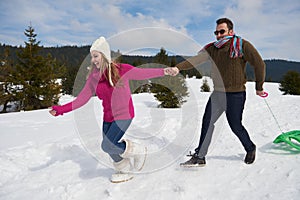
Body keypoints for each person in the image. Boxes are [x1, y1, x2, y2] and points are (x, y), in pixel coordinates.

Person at [49, 36, 175, 183]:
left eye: (96, 56)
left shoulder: (122, 70)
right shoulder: (93, 77)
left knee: (108, 145)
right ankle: (124, 168)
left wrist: (164, 71)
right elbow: (82, 99)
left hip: (124, 114)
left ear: (104, 55)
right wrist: (60, 110)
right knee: (109, 147)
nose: (94, 60)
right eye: (92, 57)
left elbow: (143, 73)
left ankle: (138, 150)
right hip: (108, 116)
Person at [171, 18, 266, 167]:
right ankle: (200, 156)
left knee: (235, 125)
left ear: (231, 31)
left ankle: (250, 147)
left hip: (236, 94)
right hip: (218, 94)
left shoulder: (242, 45)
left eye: (222, 31)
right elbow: (196, 60)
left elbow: (259, 64)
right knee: (207, 123)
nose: (219, 35)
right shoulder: (213, 49)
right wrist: (178, 68)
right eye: (216, 32)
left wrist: (259, 87)